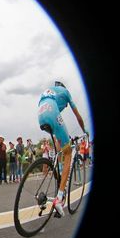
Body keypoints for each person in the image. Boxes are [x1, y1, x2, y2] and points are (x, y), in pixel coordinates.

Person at [37, 80, 88, 216]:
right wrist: (85, 131)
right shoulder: (65, 92)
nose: (64, 107)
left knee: (61, 145)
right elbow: (78, 118)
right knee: (68, 153)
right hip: (52, 113)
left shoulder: (49, 91)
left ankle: (57, 170)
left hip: (41, 114)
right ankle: (59, 198)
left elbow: (58, 132)